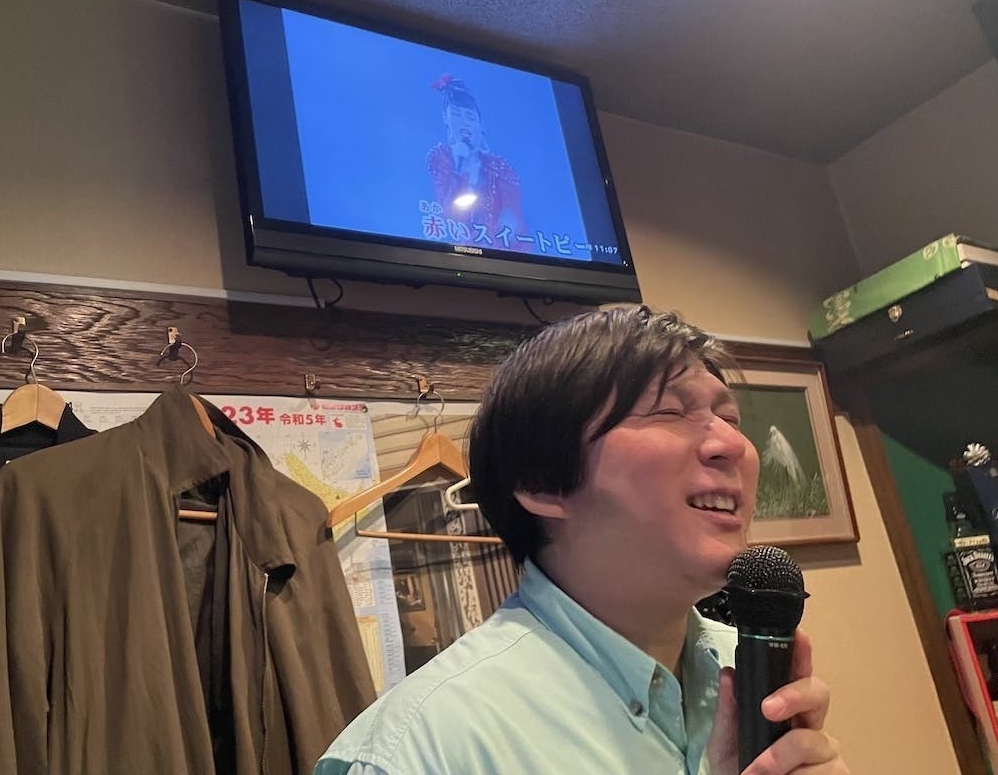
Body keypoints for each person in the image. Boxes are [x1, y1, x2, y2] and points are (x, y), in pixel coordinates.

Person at [316, 306, 848, 775]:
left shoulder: (751, 672)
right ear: (543, 482)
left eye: (729, 417)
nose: (733, 443)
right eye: (669, 411)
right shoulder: (418, 751)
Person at [425, 74, 529, 249]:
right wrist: (461, 168)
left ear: (480, 126)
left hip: (500, 255)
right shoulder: (440, 157)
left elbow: (513, 222)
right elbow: (449, 214)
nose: (464, 123)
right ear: (446, 118)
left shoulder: (501, 168)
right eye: (456, 114)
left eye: (471, 118)